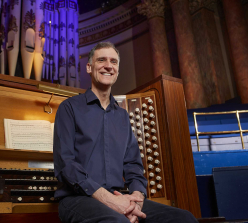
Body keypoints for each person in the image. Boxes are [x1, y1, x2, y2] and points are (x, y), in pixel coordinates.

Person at [53, 42, 198, 223]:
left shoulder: (121, 115)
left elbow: (133, 166)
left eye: (113, 61)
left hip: (121, 198)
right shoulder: (69, 108)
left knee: (183, 218)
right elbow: (66, 164)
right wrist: (110, 200)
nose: (108, 65)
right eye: (101, 60)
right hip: (78, 198)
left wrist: (136, 200)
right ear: (89, 68)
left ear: (117, 70)